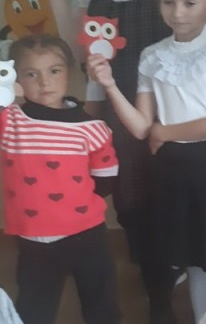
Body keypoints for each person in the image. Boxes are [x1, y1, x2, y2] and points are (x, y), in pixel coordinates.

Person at [87, 0, 206, 320]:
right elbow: (140, 126)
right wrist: (109, 85)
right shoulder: (153, 55)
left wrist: (164, 132)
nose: (178, 12)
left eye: (189, 3)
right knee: (194, 260)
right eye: (169, 2)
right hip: (172, 170)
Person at [33, 0, 180, 323]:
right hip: (123, 119)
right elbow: (96, 68)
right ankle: (159, 299)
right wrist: (93, 121)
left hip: (181, 120)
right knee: (136, 209)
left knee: (186, 204)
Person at [2, 34, 120, 324]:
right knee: (34, 308)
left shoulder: (92, 127)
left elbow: (105, 179)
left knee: (101, 304)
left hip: (87, 233)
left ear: (69, 71)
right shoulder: (10, 121)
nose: (45, 82)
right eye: (31, 74)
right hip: (34, 239)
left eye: (54, 71)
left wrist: (72, 205)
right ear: (17, 78)